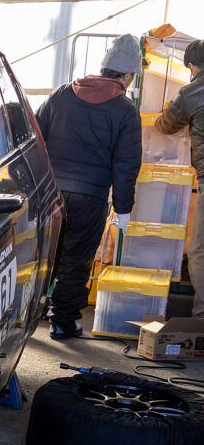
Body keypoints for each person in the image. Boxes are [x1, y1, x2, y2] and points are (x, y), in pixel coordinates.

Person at [36, 33, 143, 340]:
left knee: (44, 256)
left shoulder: (61, 94)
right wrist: (123, 209)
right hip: (90, 198)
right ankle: (62, 322)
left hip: (51, 195)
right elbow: (126, 165)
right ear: (128, 75)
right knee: (75, 260)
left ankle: (29, 314)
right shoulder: (125, 110)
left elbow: (35, 139)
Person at [154, 39, 204, 317]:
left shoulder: (192, 92)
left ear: (192, 65)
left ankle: (201, 317)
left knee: (199, 251)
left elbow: (165, 125)